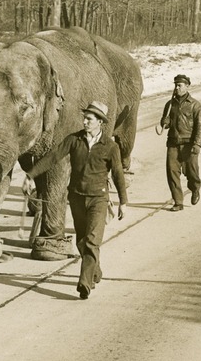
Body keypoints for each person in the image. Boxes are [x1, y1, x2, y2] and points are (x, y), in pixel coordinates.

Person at [24, 101, 127, 301]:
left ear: (100, 122)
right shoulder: (74, 140)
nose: (85, 121)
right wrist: (30, 175)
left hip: (98, 199)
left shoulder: (110, 146)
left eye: (89, 119)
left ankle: (84, 283)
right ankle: (94, 271)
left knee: (91, 240)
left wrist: (123, 201)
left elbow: (118, 174)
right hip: (77, 198)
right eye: (85, 118)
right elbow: (53, 157)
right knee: (82, 240)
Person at [155, 73, 201, 211]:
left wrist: (197, 144)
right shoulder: (170, 104)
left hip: (189, 144)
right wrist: (165, 122)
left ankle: (195, 188)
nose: (177, 88)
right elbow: (166, 122)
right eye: (175, 85)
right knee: (172, 172)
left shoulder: (195, 105)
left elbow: (200, 126)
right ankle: (178, 202)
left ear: (187, 86)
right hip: (173, 143)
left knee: (192, 172)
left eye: (179, 85)